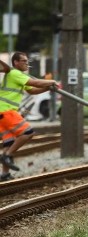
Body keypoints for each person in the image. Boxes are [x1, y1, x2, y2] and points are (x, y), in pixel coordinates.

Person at [0, 52, 58, 181]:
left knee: (9, 143)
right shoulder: (15, 74)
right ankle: (7, 156)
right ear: (16, 62)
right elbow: (35, 82)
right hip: (7, 111)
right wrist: (51, 81)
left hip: (2, 113)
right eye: (24, 61)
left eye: (27, 61)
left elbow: (32, 90)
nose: (27, 63)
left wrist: (48, 88)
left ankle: (4, 174)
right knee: (28, 133)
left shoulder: (18, 75)